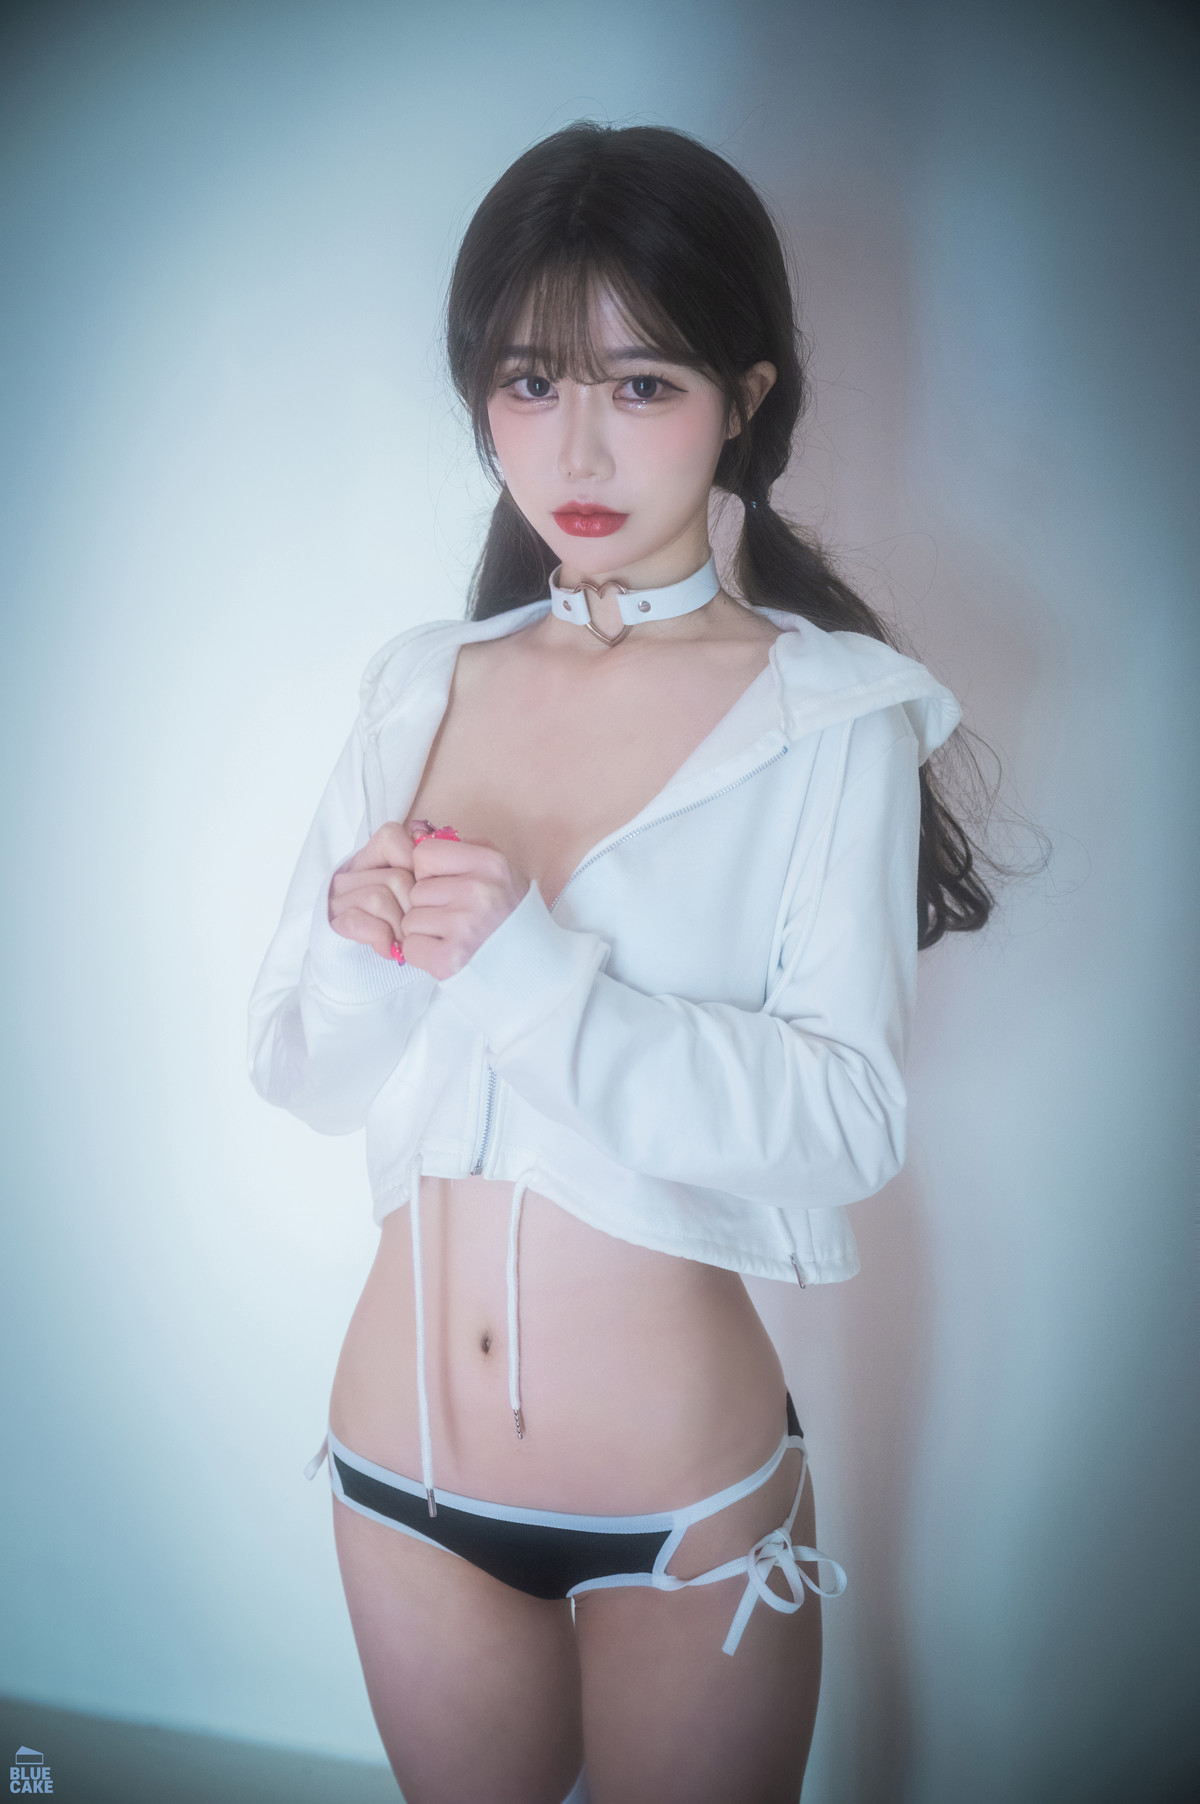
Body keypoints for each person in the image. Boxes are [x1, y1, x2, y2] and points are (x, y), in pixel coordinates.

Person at [247, 122, 989, 1804]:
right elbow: (301, 1069)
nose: (575, 446)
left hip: (683, 1514)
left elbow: (849, 1120)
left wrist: (526, 974)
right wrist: (366, 958)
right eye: (530, 382)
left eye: (641, 385)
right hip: (395, 1482)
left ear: (745, 398)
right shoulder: (419, 684)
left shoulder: (833, 716)